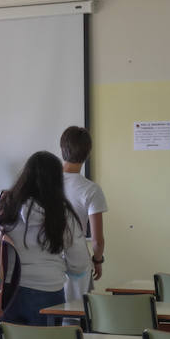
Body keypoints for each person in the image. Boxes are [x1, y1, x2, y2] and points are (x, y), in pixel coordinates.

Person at [0, 152, 90, 325]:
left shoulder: (1, 202)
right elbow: (80, 262)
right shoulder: (63, 213)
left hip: (3, 289)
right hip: (48, 290)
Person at [59, 126, 108, 303]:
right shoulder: (91, 190)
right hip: (77, 260)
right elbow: (97, 239)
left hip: (47, 260)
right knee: (76, 316)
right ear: (88, 153)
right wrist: (98, 260)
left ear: (62, 148)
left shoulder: (46, 183)